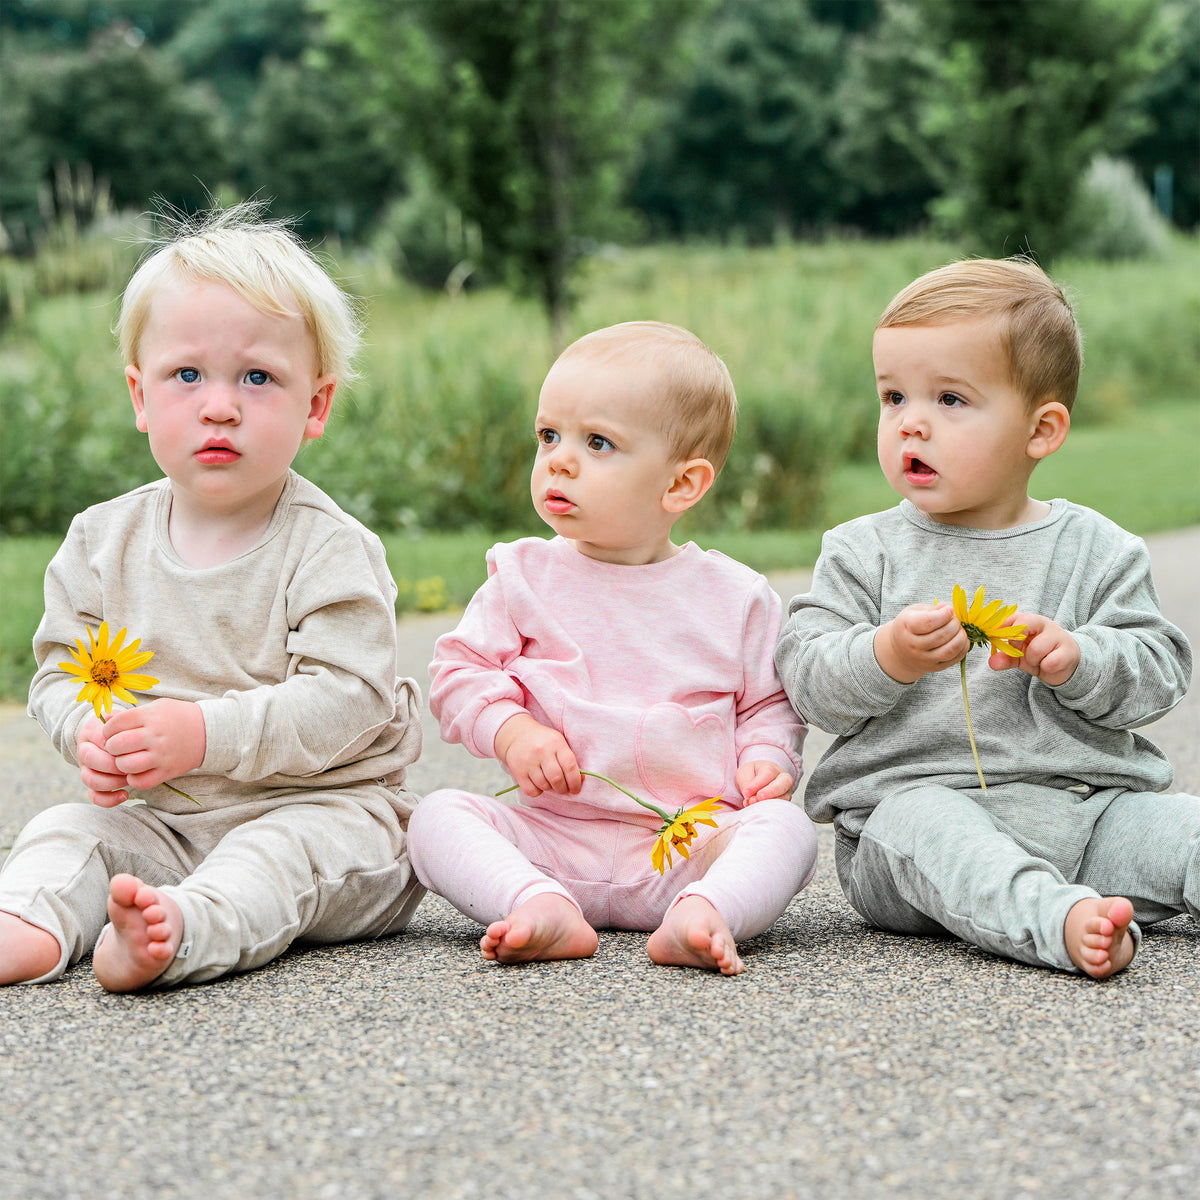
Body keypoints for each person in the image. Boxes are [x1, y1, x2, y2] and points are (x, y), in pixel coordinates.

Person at [0, 204, 425, 990]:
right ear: (140, 394)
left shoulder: (329, 548)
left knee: (271, 859)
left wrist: (203, 733)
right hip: (166, 821)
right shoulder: (101, 541)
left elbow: (350, 699)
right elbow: (61, 672)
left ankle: (180, 934)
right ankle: (27, 923)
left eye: (258, 377)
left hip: (330, 815)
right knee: (67, 830)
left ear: (316, 406)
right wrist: (91, 734)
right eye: (186, 375)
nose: (220, 404)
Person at [775, 256, 1194, 980]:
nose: (912, 423)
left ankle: (1070, 896)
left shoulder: (1097, 549)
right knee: (932, 826)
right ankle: (1053, 919)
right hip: (905, 829)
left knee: (1188, 828)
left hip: (1090, 815)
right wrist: (887, 655)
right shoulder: (862, 551)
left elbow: (1159, 671)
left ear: (1042, 429)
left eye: (950, 400)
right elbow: (807, 676)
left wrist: (1078, 659)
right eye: (893, 396)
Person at [408, 321, 817, 975]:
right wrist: (512, 732)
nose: (560, 460)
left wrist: (767, 758)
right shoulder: (522, 576)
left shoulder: (735, 596)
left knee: (788, 833)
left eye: (597, 442)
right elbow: (460, 672)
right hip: (554, 837)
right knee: (435, 816)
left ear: (681, 484)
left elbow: (769, 704)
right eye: (549, 436)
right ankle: (537, 904)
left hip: (685, 840)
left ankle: (706, 911)